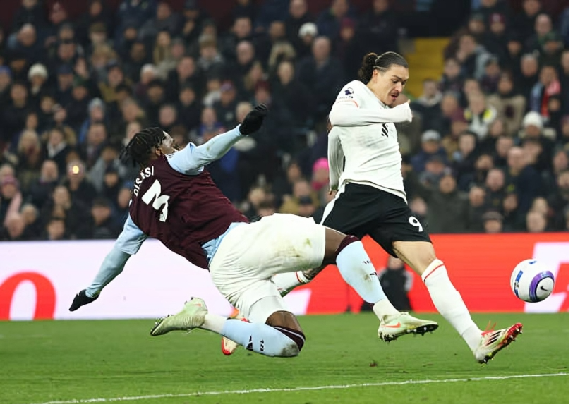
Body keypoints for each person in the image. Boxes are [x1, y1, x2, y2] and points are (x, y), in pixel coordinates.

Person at [68, 104, 436, 358]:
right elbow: (207, 151)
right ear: (155, 152)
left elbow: (117, 256)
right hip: (240, 241)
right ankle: (388, 315)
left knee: (287, 342)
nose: (175, 144)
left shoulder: (136, 211)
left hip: (223, 273)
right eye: (168, 141)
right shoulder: (172, 164)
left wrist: (91, 290)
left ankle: (203, 318)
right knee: (342, 244)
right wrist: (241, 130)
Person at [226, 52, 523, 364]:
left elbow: (335, 138)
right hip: (359, 194)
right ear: (377, 74)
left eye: (404, 83)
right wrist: (339, 178)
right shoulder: (356, 90)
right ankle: (248, 310)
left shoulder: (382, 112)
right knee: (309, 267)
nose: (399, 88)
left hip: (393, 202)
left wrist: (335, 174)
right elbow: (337, 120)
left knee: (431, 264)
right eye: (395, 80)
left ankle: (477, 340)